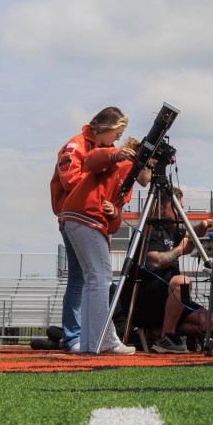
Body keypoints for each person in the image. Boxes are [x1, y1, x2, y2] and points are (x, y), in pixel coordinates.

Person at [36, 107, 129, 352]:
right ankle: (75, 337)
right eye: (117, 133)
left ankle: (83, 338)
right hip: (77, 215)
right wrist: (102, 169)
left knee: (85, 279)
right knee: (82, 279)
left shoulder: (100, 148)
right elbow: (71, 181)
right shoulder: (75, 146)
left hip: (84, 215)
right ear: (106, 127)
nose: (117, 139)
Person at [58, 121, 150, 355]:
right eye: (150, 167)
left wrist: (114, 213)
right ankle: (106, 341)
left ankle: (90, 342)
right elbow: (91, 160)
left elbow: (114, 225)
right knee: (100, 279)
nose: (151, 175)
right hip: (85, 215)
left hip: (76, 216)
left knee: (92, 280)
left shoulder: (124, 172)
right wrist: (115, 154)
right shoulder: (121, 161)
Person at [137, 186, 213, 354]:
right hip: (148, 298)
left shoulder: (171, 229)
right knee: (182, 282)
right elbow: (154, 262)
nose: (181, 213)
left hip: (170, 299)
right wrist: (180, 249)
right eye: (176, 208)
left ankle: (156, 331)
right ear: (161, 208)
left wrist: (203, 226)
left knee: (208, 321)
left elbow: (189, 235)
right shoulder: (151, 228)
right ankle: (166, 337)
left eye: (182, 208)